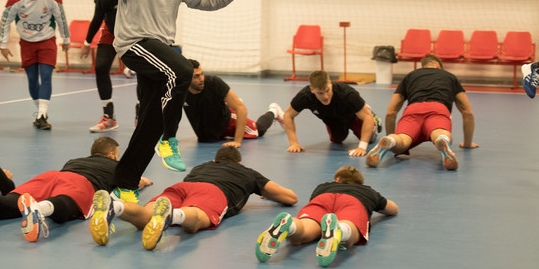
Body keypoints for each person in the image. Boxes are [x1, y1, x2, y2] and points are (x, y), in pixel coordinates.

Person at [86, 0, 253, 202]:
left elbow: (201, 0)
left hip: (159, 47)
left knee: (151, 121)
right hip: (135, 44)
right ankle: (169, 140)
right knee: (182, 70)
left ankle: (124, 185)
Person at [0, 136, 151, 242]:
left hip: (51, 175)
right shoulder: (116, 165)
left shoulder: (75, 159)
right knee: (67, 204)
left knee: (10, 203)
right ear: (113, 155)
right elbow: (134, 181)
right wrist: (144, 181)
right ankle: (38, 211)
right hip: (82, 183)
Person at [89, 146, 297, 250]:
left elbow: (190, 190)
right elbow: (290, 197)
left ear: (215, 160)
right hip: (214, 191)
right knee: (196, 219)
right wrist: (262, 191)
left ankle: (115, 207)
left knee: (146, 216)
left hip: (182, 186)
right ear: (239, 163)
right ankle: (173, 215)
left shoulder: (201, 166)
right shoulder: (248, 173)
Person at [255, 166, 398, 267]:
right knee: (350, 233)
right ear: (360, 183)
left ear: (337, 179)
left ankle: (290, 225)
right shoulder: (367, 191)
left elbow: (313, 202)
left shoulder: (322, 186)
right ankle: (339, 230)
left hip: (323, 198)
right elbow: (393, 209)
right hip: (353, 202)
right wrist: (377, 203)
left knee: (306, 227)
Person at [366, 55, 477, 170]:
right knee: (440, 132)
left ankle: (391, 141)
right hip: (437, 109)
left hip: (413, 110)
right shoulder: (450, 77)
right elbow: (467, 112)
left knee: (402, 140)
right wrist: (467, 144)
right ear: (438, 65)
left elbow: (391, 112)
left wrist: (391, 138)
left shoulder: (410, 76)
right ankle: (442, 139)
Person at [0, 0, 70, 129]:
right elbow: (5, 21)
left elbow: (62, 19)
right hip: (26, 42)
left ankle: (42, 115)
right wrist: (3, 44)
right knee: (32, 78)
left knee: (46, 75)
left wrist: (66, 39)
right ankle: (40, 113)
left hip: (47, 41)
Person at [184, 59, 284, 147]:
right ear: (187, 78)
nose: (201, 79)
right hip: (208, 128)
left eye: (202, 74)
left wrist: (237, 141)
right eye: (196, 76)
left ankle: (274, 111)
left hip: (227, 121)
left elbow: (242, 109)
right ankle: (229, 102)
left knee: (259, 130)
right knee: (207, 139)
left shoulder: (214, 83)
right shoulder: (180, 89)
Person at [282, 71, 382, 157]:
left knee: (369, 139)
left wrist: (362, 147)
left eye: (327, 91)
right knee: (336, 140)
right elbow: (288, 115)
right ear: (312, 90)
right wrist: (293, 143)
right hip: (332, 119)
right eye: (320, 93)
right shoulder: (305, 96)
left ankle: (371, 115)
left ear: (330, 83)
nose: (325, 96)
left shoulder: (347, 93)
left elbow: (367, 117)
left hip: (353, 116)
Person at [80, 0, 120, 132]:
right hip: (111, 31)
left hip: (135, 32)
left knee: (142, 71)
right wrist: (87, 42)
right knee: (101, 67)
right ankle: (108, 117)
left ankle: (141, 115)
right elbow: (97, 18)